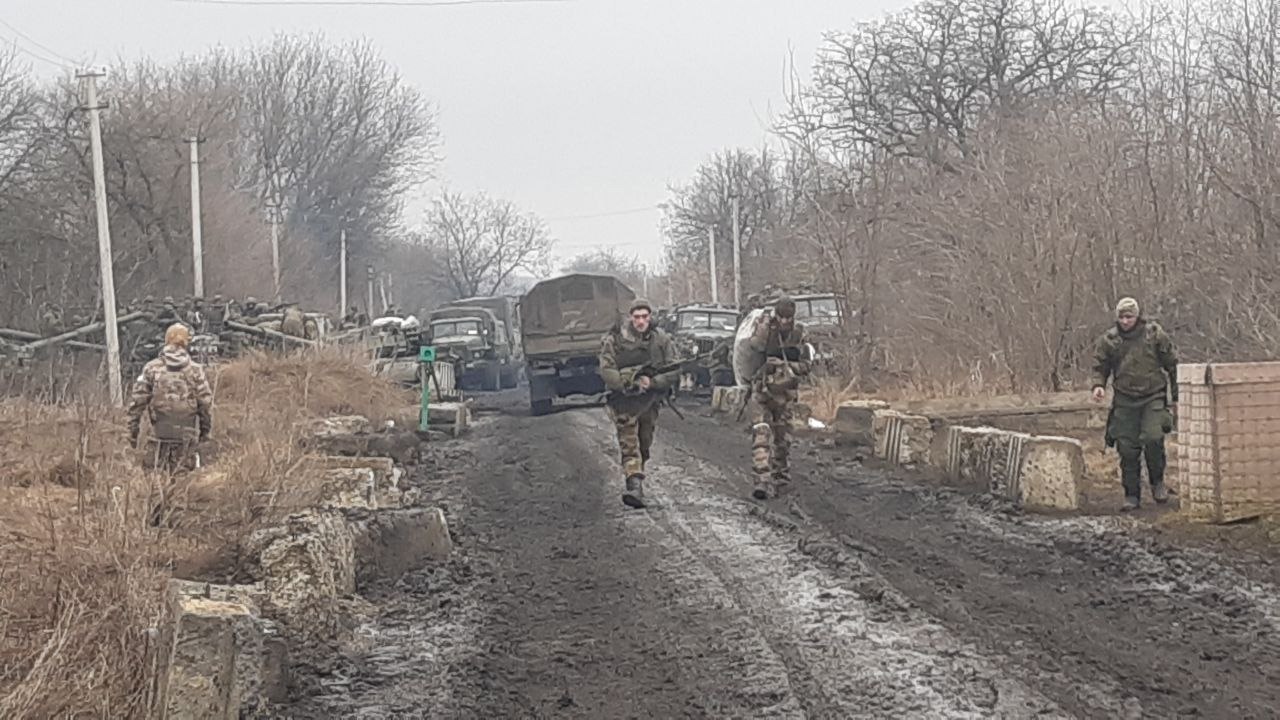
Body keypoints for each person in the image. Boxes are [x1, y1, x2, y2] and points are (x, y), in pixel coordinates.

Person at [1091, 296, 1178, 511]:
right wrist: (1098, 385)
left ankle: (1157, 482)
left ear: (1137, 316)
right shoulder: (1110, 340)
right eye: (1121, 317)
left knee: (1153, 438)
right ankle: (1131, 494)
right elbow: (1100, 365)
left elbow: (1172, 364)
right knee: (1127, 449)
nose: (1125, 321)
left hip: (1153, 396)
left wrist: (1177, 396)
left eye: (1129, 316)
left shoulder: (1154, 334)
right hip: (1124, 398)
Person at [598, 298, 681, 509]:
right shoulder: (615, 340)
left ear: (650, 317)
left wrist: (652, 382)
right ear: (630, 318)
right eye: (636, 317)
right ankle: (634, 485)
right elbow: (607, 369)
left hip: (650, 401)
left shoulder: (661, 340)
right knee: (629, 444)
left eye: (645, 316)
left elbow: (674, 369)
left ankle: (636, 474)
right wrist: (627, 384)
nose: (641, 321)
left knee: (644, 442)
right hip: (624, 402)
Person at [127, 323, 214, 484]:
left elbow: (136, 403)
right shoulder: (196, 370)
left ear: (166, 341)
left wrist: (132, 433)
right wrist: (204, 433)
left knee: (154, 480)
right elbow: (205, 404)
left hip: (157, 434)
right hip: (186, 435)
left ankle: (156, 507)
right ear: (186, 342)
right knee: (183, 480)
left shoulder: (151, 368)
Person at [746, 296, 810, 500]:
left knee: (783, 440)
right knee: (761, 435)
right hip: (762, 392)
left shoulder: (799, 333)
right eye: (781, 317)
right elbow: (754, 348)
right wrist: (766, 326)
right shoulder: (765, 330)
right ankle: (762, 480)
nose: (784, 322)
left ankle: (781, 478)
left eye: (788, 318)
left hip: (785, 394)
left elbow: (807, 364)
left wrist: (788, 367)